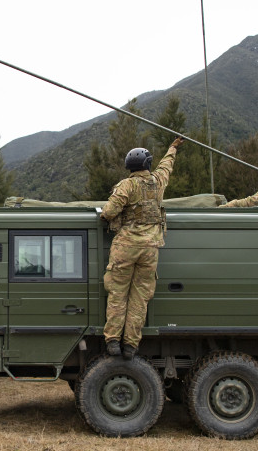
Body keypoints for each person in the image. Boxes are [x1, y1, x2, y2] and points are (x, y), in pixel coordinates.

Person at [100, 137, 184, 360]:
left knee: (118, 293)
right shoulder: (158, 182)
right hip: (151, 248)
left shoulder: (127, 185)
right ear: (147, 165)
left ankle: (113, 341)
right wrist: (173, 148)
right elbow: (166, 166)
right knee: (140, 296)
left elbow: (108, 212)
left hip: (125, 247)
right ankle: (130, 345)